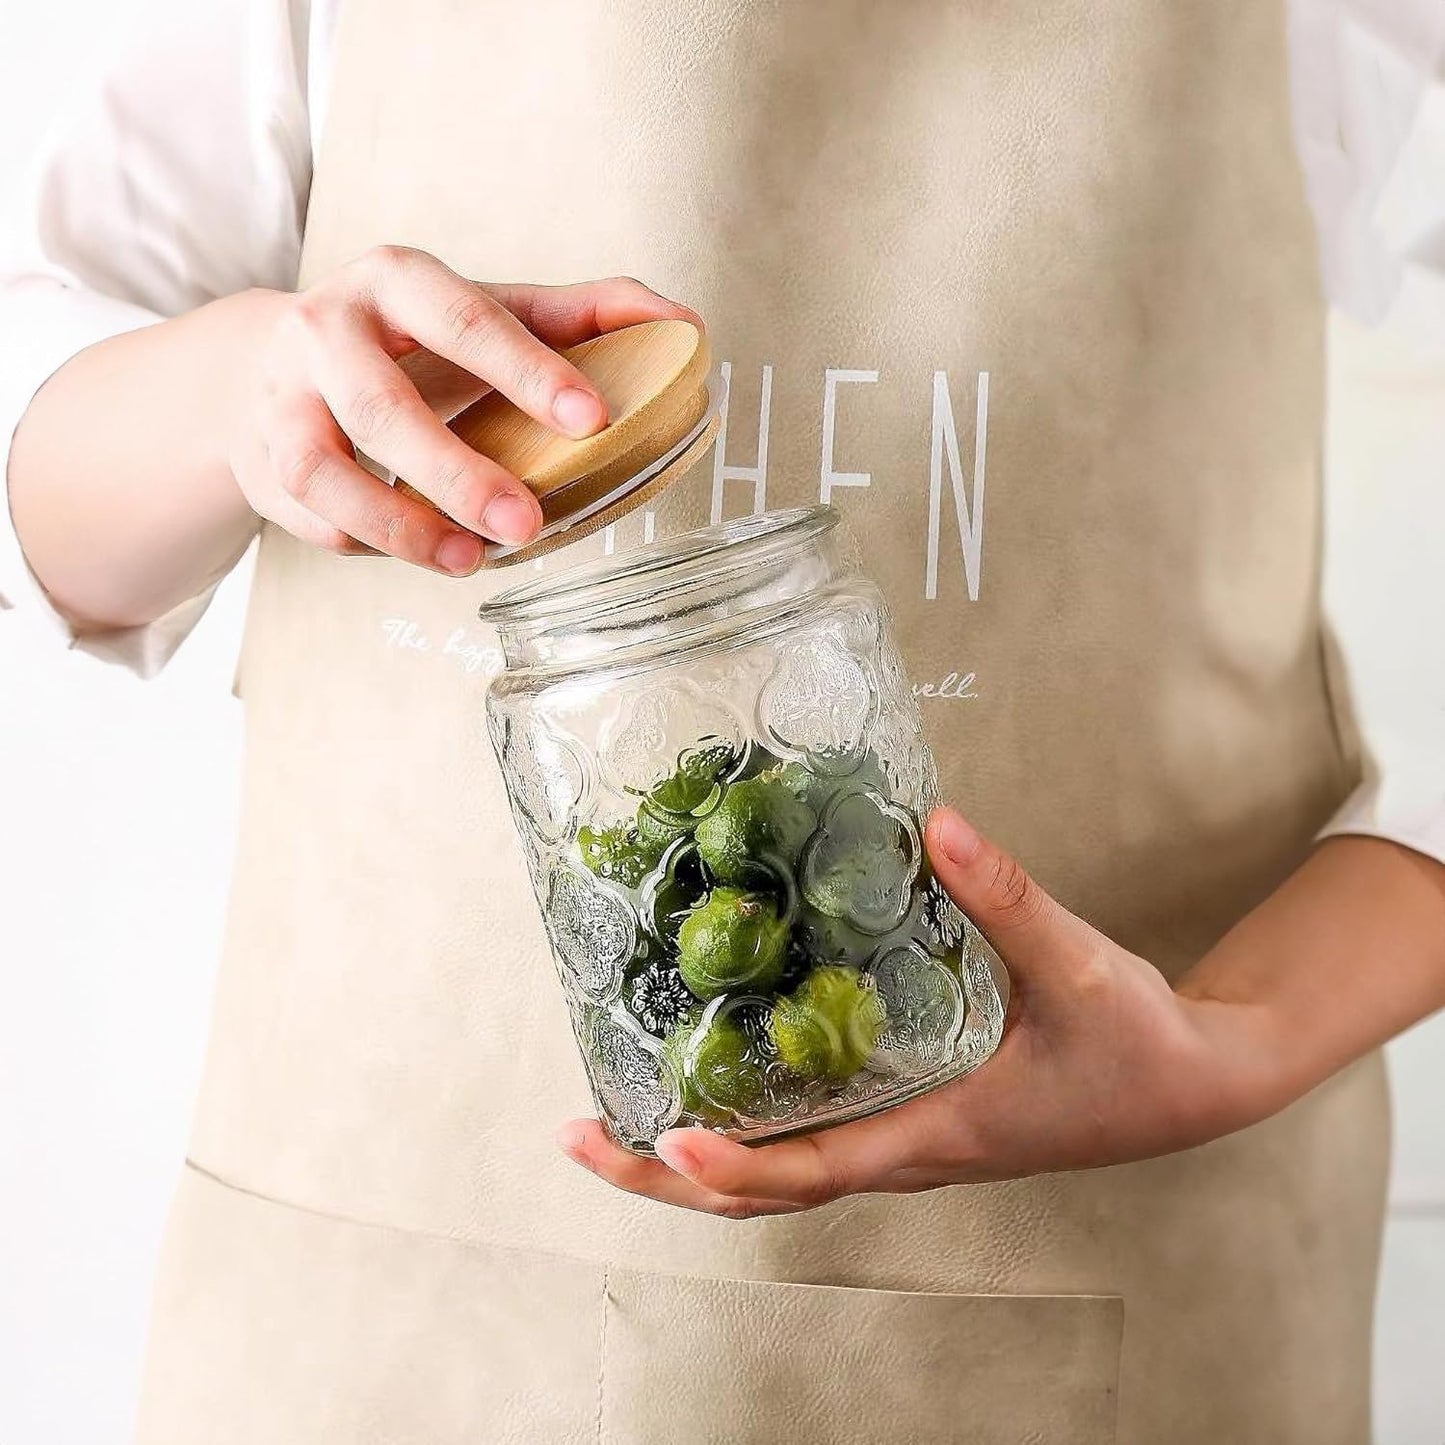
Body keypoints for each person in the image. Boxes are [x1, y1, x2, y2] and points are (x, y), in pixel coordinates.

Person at [3, 1, 1443, 1441]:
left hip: (1103, 1282)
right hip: (373, 1308)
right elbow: (49, 502)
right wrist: (242, 390)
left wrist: (1238, 1035)